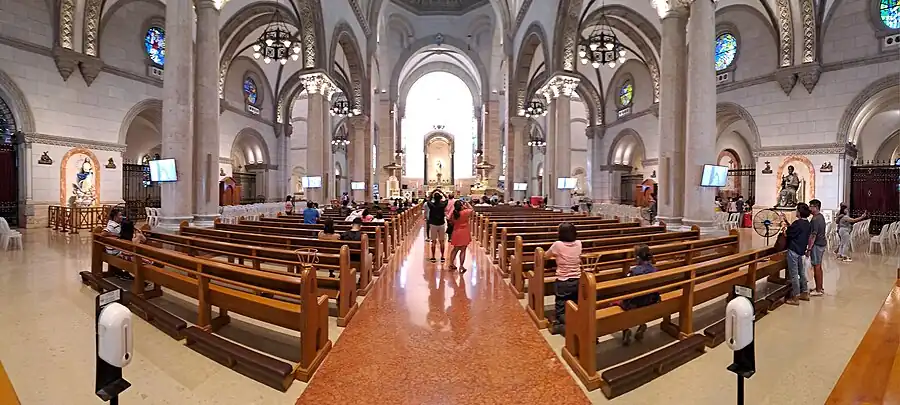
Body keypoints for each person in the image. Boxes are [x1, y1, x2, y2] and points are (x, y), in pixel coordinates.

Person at [544, 223, 582, 335]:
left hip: (563, 280)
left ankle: (568, 327)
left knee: (560, 307)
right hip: (577, 279)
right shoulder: (579, 243)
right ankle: (577, 322)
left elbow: (545, 256)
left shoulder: (558, 245)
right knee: (574, 304)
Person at [620, 245, 660, 345]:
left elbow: (626, 289)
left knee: (622, 303)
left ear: (638, 258)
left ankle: (625, 329)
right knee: (642, 297)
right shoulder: (655, 270)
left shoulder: (634, 271)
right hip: (651, 300)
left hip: (635, 303)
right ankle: (642, 324)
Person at [784, 202, 812, 305]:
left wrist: (784, 230)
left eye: (796, 210)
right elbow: (795, 231)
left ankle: (795, 297)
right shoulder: (807, 223)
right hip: (801, 250)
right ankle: (804, 292)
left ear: (799, 212)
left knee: (794, 274)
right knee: (801, 272)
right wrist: (787, 222)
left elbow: (789, 233)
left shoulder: (797, 223)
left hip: (793, 250)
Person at [807, 199, 827, 296]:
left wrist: (809, 248)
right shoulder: (820, 216)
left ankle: (818, 290)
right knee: (819, 266)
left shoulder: (815, 219)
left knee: (816, 266)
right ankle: (820, 287)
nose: (809, 208)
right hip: (822, 243)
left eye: (810, 206)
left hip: (817, 245)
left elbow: (813, 235)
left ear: (815, 207)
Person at [448, 199, 473, 273]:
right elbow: (471, 209)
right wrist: (466, 204)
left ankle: (451, 264)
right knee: (463, 250)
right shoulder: (465, 212)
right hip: (464, 232)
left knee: (455, 249)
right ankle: (461, 266)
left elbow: (451, 222)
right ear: (461, 206)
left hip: (456, 232)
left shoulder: (454, 214)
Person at [427, 191, 449, 263]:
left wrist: (433, 192)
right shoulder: (443, 205)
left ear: (434, 198)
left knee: (433, 241)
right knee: (442, 241)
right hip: (441, 224)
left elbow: (428, 199)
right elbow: (447, 198)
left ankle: (433, 257)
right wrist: (441, 192)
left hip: (433, 224)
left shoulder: (431, 205)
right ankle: (442, 257)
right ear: (440, 198)